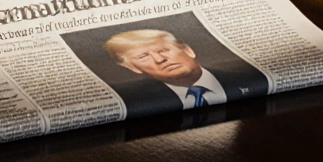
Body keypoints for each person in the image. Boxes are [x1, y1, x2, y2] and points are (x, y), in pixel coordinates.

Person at [103, 29, 268, 111]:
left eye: (163, 50)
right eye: (143, 57)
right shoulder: (135, 103)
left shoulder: (250, 78)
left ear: (188, 50)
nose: (159, 59)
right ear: (132, 68)